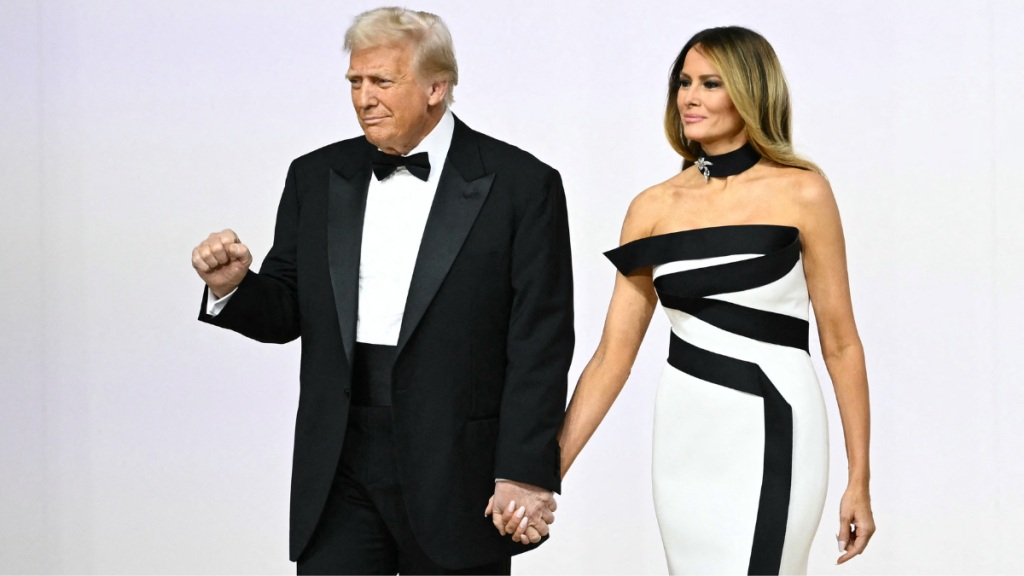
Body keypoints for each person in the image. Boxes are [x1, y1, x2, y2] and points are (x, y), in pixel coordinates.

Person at [190, 7, 571, 574]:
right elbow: (286, 309)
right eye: (355, 82)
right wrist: (234, 287)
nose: (364, 97)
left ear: (436, 87)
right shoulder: (315, 176)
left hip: (456, 467)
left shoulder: (522, 185)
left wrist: (525, 469)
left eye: (382, 82)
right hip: (339, 457)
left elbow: (540, 342)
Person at [552, 26, 874, 574]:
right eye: (683, 82)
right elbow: (612, 357)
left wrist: (859, 481)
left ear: (751, 92)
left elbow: (841, 344)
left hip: (778, 424)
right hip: (684, 434)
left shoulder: (804, 191)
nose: (689, 98)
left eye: (710, 83)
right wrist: (546, 472)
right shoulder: (651, 207)